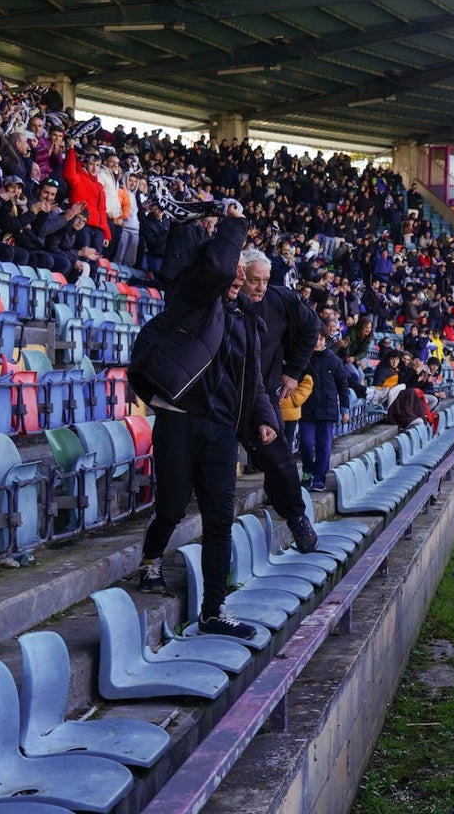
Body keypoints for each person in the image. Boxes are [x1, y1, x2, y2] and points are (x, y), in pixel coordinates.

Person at [127, 202, 272, 640]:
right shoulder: (192, 297)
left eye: (245, 280)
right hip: (179, 420)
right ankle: (150, 560)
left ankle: (213, 610)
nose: (238, 282)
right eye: (238, 274)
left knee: (219, 520)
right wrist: (235, 221)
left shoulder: (246, 322)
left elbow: (255, 383)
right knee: (171, 506)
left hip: (221, 429)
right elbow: (214, 266)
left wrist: (264, 418)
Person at [240, 249, 322, 552]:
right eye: (253, 281)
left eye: (265, 280)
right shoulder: (226, 301)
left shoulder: (282, 298)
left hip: (265, 393)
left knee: (280, 456)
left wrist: (293, 371)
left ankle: (297, 518)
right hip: (227, 396)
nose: (261, 287)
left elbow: (312, 327)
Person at [299, 332, 351, 491]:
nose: (317, 342)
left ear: (325, 340)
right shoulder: (303, 357)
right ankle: (307, 472)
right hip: (306, 408)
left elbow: (343, 385)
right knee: (306, 443)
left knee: (324, 446)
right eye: (314, 338)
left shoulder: (334, 360)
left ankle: (319, 478)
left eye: (321, 339)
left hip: (327, 410)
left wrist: (344, 408)